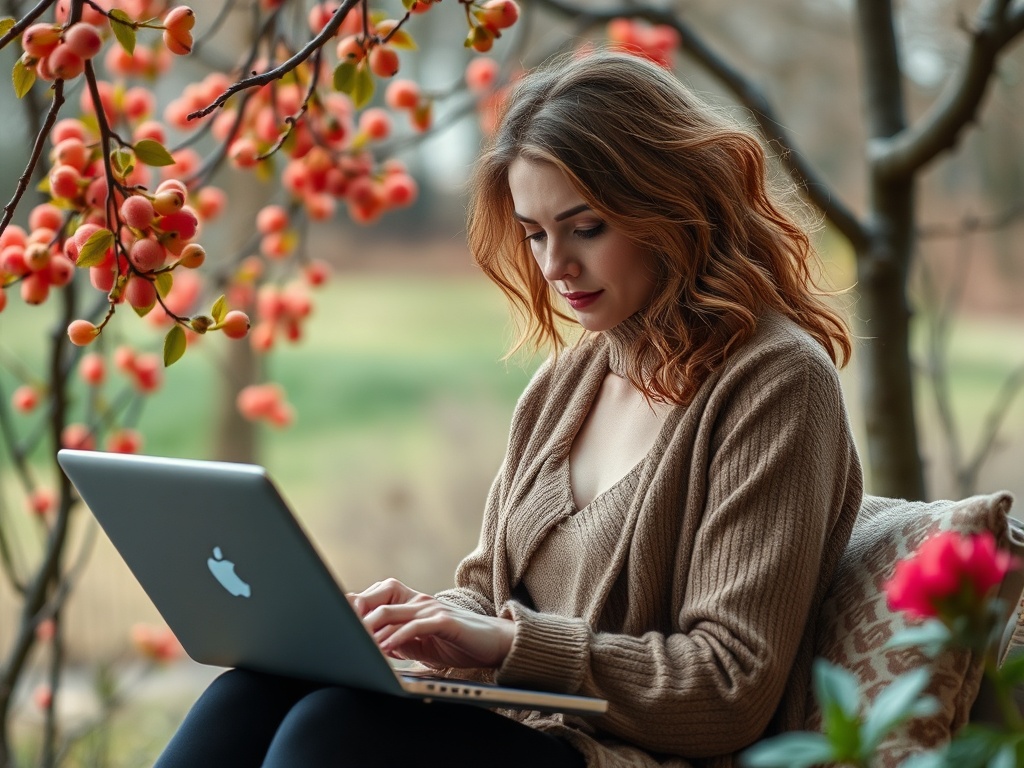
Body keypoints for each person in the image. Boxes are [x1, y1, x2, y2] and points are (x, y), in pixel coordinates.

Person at [155, 49, 863, 767]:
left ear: (669, 205)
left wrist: (509, 644)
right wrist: (413, 623)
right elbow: (486, 596)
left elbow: (728, 687)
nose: (555, 265)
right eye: (534, 233)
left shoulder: (776, 383)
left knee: (331, 731)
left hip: (620, 757)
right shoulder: (566, 386)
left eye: (585, 228)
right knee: (251, 692)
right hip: (516, 734)